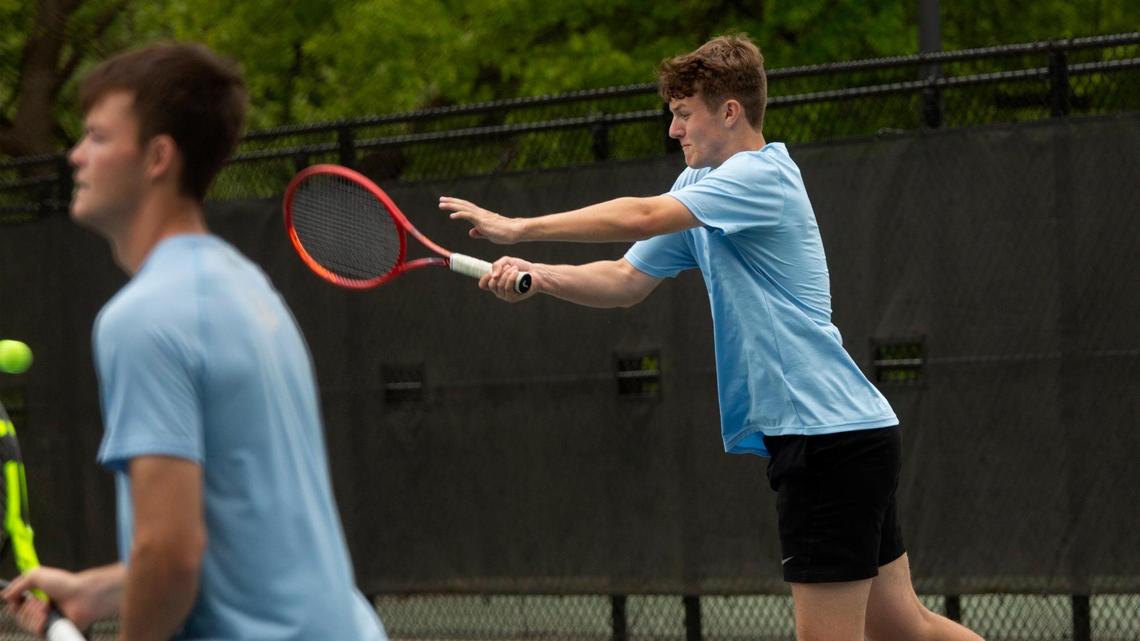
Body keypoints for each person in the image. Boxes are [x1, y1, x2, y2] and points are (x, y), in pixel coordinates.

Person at [440, 35, 984, 641]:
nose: (673, 130)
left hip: (826, 441)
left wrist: (520, 227)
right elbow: (625, 279)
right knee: (904, 627)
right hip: (849, 433)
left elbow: (642, 216)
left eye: (682, 114)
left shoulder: (760, 175)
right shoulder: (697, 193)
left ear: (730, 112)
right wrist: (537, 277)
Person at [2, 43, 386, 641]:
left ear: (157, 157)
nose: (75, 155)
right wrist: (101, 590)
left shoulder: (144, 318)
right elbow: (239, 539)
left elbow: (171, 553)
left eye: (98, 138)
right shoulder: (250, 291)